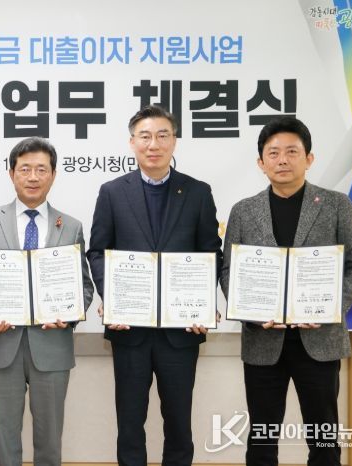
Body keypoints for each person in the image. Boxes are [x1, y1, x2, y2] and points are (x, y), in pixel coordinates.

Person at [220, 116, 352, 466]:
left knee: (323, 439)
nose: (282, 160)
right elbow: (229, 270)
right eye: (273, 153)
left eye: (292, 151)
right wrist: (250, 311)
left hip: (319, 340)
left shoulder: (336, 205)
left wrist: (330, 307)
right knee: (262, 438)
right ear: (261, 163)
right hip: (263, 340)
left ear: (309, 158)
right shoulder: (243, 211)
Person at [86, 105, 223, 466]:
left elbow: (211, 253)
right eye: (145, 136)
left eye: (163, 135)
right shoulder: (112, 192)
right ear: (132, 142)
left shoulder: (197, 192)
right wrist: (112, 297)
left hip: (181, 332)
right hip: (129, 329)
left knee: (178, 423)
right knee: (130, 423)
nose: (154, 144)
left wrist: (203, 302)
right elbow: (98, 251)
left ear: (174, 141)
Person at [0, 137, 94, 466]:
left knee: (50, 440)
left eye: (41, 169)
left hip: (51, 345)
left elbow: (83, 285)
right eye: (25, 169)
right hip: (1, 344)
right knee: (4, 439)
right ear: (11, 173)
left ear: (53, 174)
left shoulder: (71, 226)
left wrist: (69, 315)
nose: (33, 177)